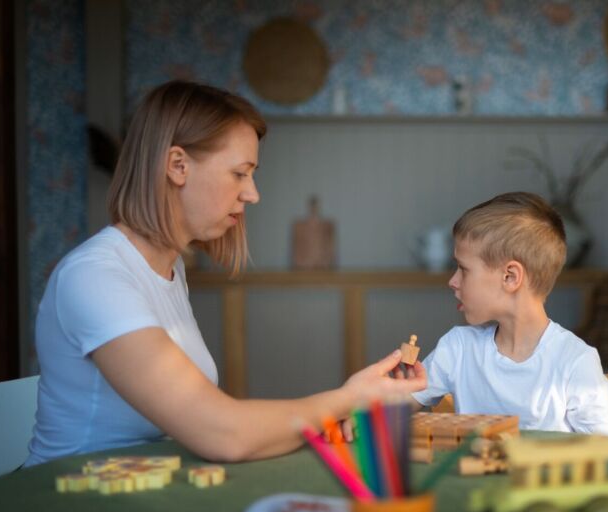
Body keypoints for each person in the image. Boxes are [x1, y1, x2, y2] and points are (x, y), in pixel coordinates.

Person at [24, 81, 426, 467]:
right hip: (69, 497)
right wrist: (349, 399)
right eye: (240, 173)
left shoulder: (168, 268)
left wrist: (340, 406)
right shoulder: (96, 278)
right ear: (177, 165)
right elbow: (223, 434)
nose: (253, 193)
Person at [410, 192, 608, 435]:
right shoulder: (457, 348)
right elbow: (396, 406)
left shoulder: (575, 362)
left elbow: (602, 454)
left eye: (463, 269)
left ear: (510, 277)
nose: (453, 281)